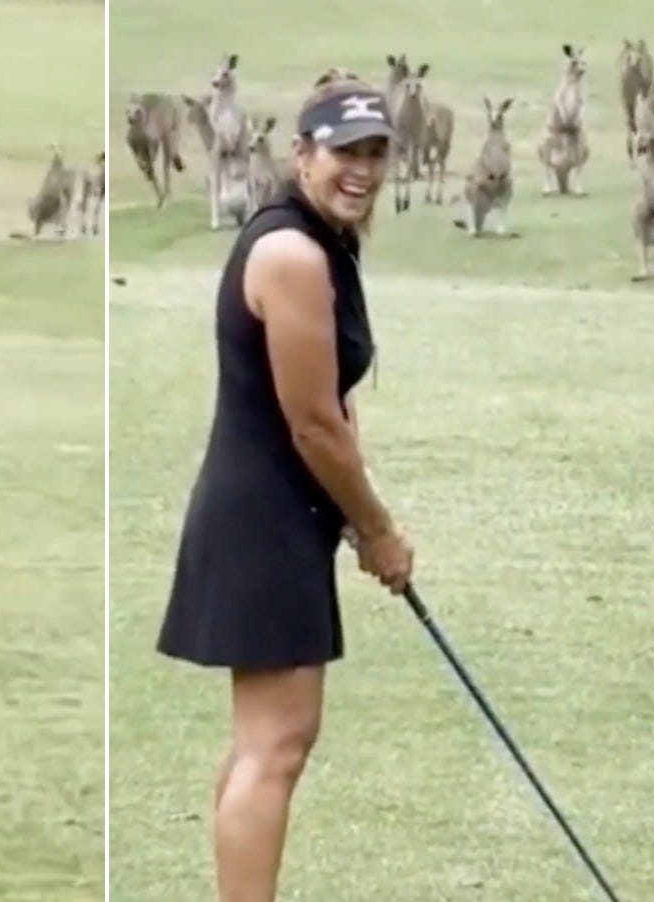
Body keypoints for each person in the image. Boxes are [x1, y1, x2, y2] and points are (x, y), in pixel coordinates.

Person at [156, 70, 416, 902]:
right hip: (263, 517)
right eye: (346, 151)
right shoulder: (293, 253)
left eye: (377, 153)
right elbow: (310, 423)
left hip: (280, 513)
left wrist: (348, 510)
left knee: (263, 745)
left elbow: (331, 399)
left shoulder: (321, 241)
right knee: (276, 745)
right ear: (301, 153)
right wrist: (374, 527)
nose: (363, 170)